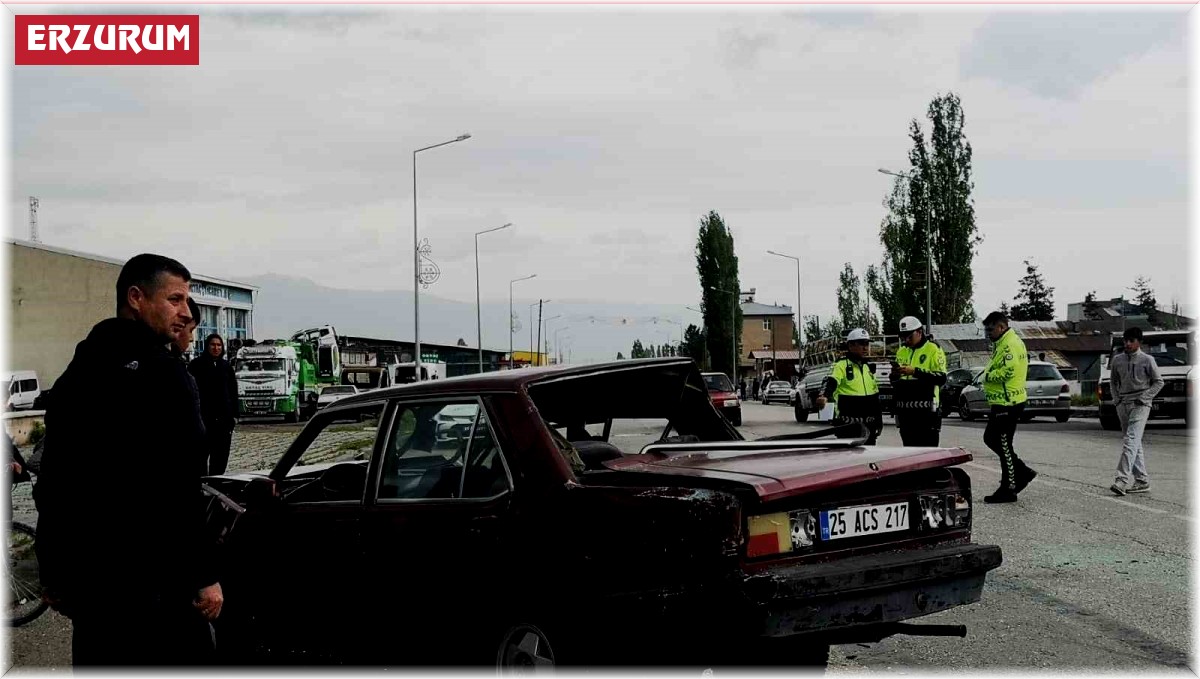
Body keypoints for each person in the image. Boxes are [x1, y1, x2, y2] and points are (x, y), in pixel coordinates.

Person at [33, 253, 222, 666]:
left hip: (94, 590)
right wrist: (203, 576)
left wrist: (53, 570)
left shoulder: (78, 373)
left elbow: (53, 480)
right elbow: (181, 489)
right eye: (175, 299)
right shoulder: (167, 376)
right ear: (136, 297)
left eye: (186, 302)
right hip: (155, 586)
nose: (185, 312)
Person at [979, 311, 1037, 503]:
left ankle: (1009, 488)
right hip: (1002, 402)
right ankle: (1022, 472)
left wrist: (987, 376)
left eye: (990, 329)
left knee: (1003, 444)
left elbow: (1008, 371)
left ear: (1001, 327)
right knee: (992, 439)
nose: (988, 333)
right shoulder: (1002, 343)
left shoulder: (1010, 344)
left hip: (1008, 402)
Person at [1108, 326, 1163, 496]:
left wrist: (1145, 397)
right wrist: (1117, 400)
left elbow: (1158, 382)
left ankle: (1121, 480)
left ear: (1139, 342)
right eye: (1125, 340)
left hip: (1140, 404)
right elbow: (1113, 382)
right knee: (1134, 442)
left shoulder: (1148, 360)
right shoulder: (1117, 360)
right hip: (1123, 404)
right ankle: (1142, 480)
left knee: (1131, 440)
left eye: (1131, 341)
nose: (1127, 344)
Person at [815, 328, 882, 444]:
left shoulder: (867, 367)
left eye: (867, 344)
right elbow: (831, 381)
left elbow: (875, 396)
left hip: (869, 426)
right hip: (848, 425)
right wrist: (824, 395)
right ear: (850, 345)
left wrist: (879, 422)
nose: (865, 348)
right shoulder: (841, 365)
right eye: (861, 344)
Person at [890, 316, 948, 446]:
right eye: (903, 337)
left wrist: (915, 372)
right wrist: (894, 375)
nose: (906, 340)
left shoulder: (933, 349)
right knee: (909, 452)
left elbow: (941, 378)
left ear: (919, 332)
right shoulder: (902, 351)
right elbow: (895, 381)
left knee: (928, 452)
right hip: (906, 410)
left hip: (926, 409)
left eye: (909, 336)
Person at [189, 332, 239, 476]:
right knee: (200, 459)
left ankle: (216, 488)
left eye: (218, 345)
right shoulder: (196, 365)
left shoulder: (226, 367)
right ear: (207, 346)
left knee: (221, 459)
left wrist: (235, 415)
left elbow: (233, 391)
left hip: (223, 423)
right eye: (212, 345)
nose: (216, 348)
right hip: (203, 420)